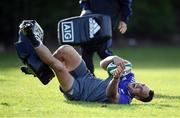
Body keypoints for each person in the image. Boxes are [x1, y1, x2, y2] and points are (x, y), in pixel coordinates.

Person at [19, 21, 154, 104]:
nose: (138, 85)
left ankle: (30, 35)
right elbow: (102, 65)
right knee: (65, 49)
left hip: (78, 92)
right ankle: (43, 71)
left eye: (140, 90)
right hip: (86, 76)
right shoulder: (129, 74)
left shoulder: (124, 100)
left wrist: (116, 78)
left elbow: (110, 95)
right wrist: (113, 58)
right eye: (142, 84)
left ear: (138, 98)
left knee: (59, 67)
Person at [79, 0, 133, 75]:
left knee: (104, 51)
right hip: (89, 22)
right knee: (86, 53)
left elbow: (126, 4)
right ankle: (88, 81)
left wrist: (124, 20)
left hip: (106, 25)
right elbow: (84, 1)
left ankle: (119, 78)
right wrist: (85, 9)